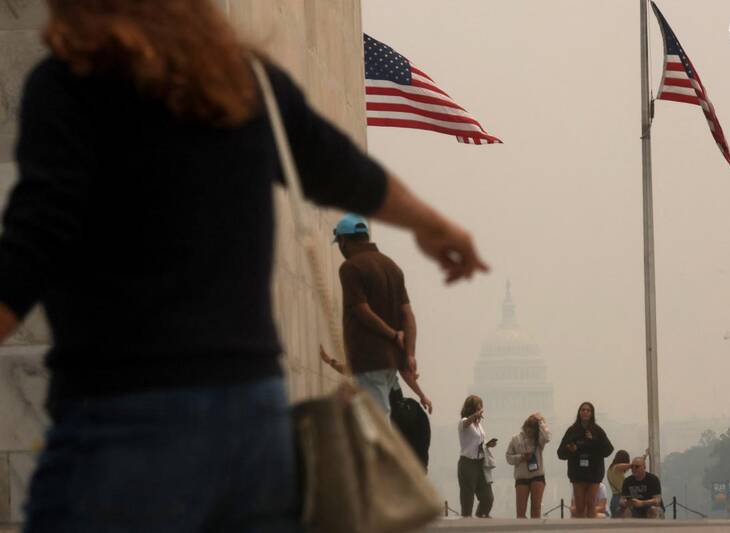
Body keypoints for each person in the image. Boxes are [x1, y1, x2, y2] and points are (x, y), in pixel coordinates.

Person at [0, 2, 488, 531]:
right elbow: (341, 169)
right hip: (251, 425)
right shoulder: (246, 81)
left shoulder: (72, 85)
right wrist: (433, 225)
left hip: (123, 417)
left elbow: (33, 241)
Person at [333, 213, 433, 416]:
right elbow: (408, 315)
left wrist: (392, 334)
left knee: (376, 419)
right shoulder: (392, 267)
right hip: (390, 362)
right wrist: (410, 353)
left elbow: (361, 310)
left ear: (343, 241)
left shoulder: (350, 268)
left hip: (368, 359)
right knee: (375, 416)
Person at [557, 402, 614, 518]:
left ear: (592, 413)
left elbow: (608, 450)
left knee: (590, 504)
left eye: (588, 410)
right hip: (577, 472)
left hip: (594, 472)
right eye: (583, 410)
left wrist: (593, 441)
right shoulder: (572, 431)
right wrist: (570, 450)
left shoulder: (598, 431)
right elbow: (560, 453)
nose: (585, 412)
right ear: (579, 412)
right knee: (580, 506)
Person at [505, 412, 551, 518]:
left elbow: (547, 437)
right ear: (524, 426)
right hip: (522, 477)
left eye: (533, 428)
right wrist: (521, 457)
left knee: (536, 508)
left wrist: (541, 422)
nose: (530, 430)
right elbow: (508, 458)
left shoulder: (539, 439)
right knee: (520, 512)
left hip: (537, 476)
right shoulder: (515, 439)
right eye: (528, 426)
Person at [458, 395, 495, 518]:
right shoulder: (463, 422)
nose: (481, 410)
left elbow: (479, 442)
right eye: (478, 407)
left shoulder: (479, 425)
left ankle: (480, 517)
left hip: (480, 463)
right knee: (467, 500)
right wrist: (474, 416)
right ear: (472, 408)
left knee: (488, 498)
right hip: (468, 463)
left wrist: (487, 445)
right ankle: (467, 525)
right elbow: (467, 422)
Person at [607, 450, 632, 517]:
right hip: (621, 498)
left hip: (614, 498)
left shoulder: (610, 469)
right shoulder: (617, 467)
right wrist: (639, 462)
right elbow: (632, 465)